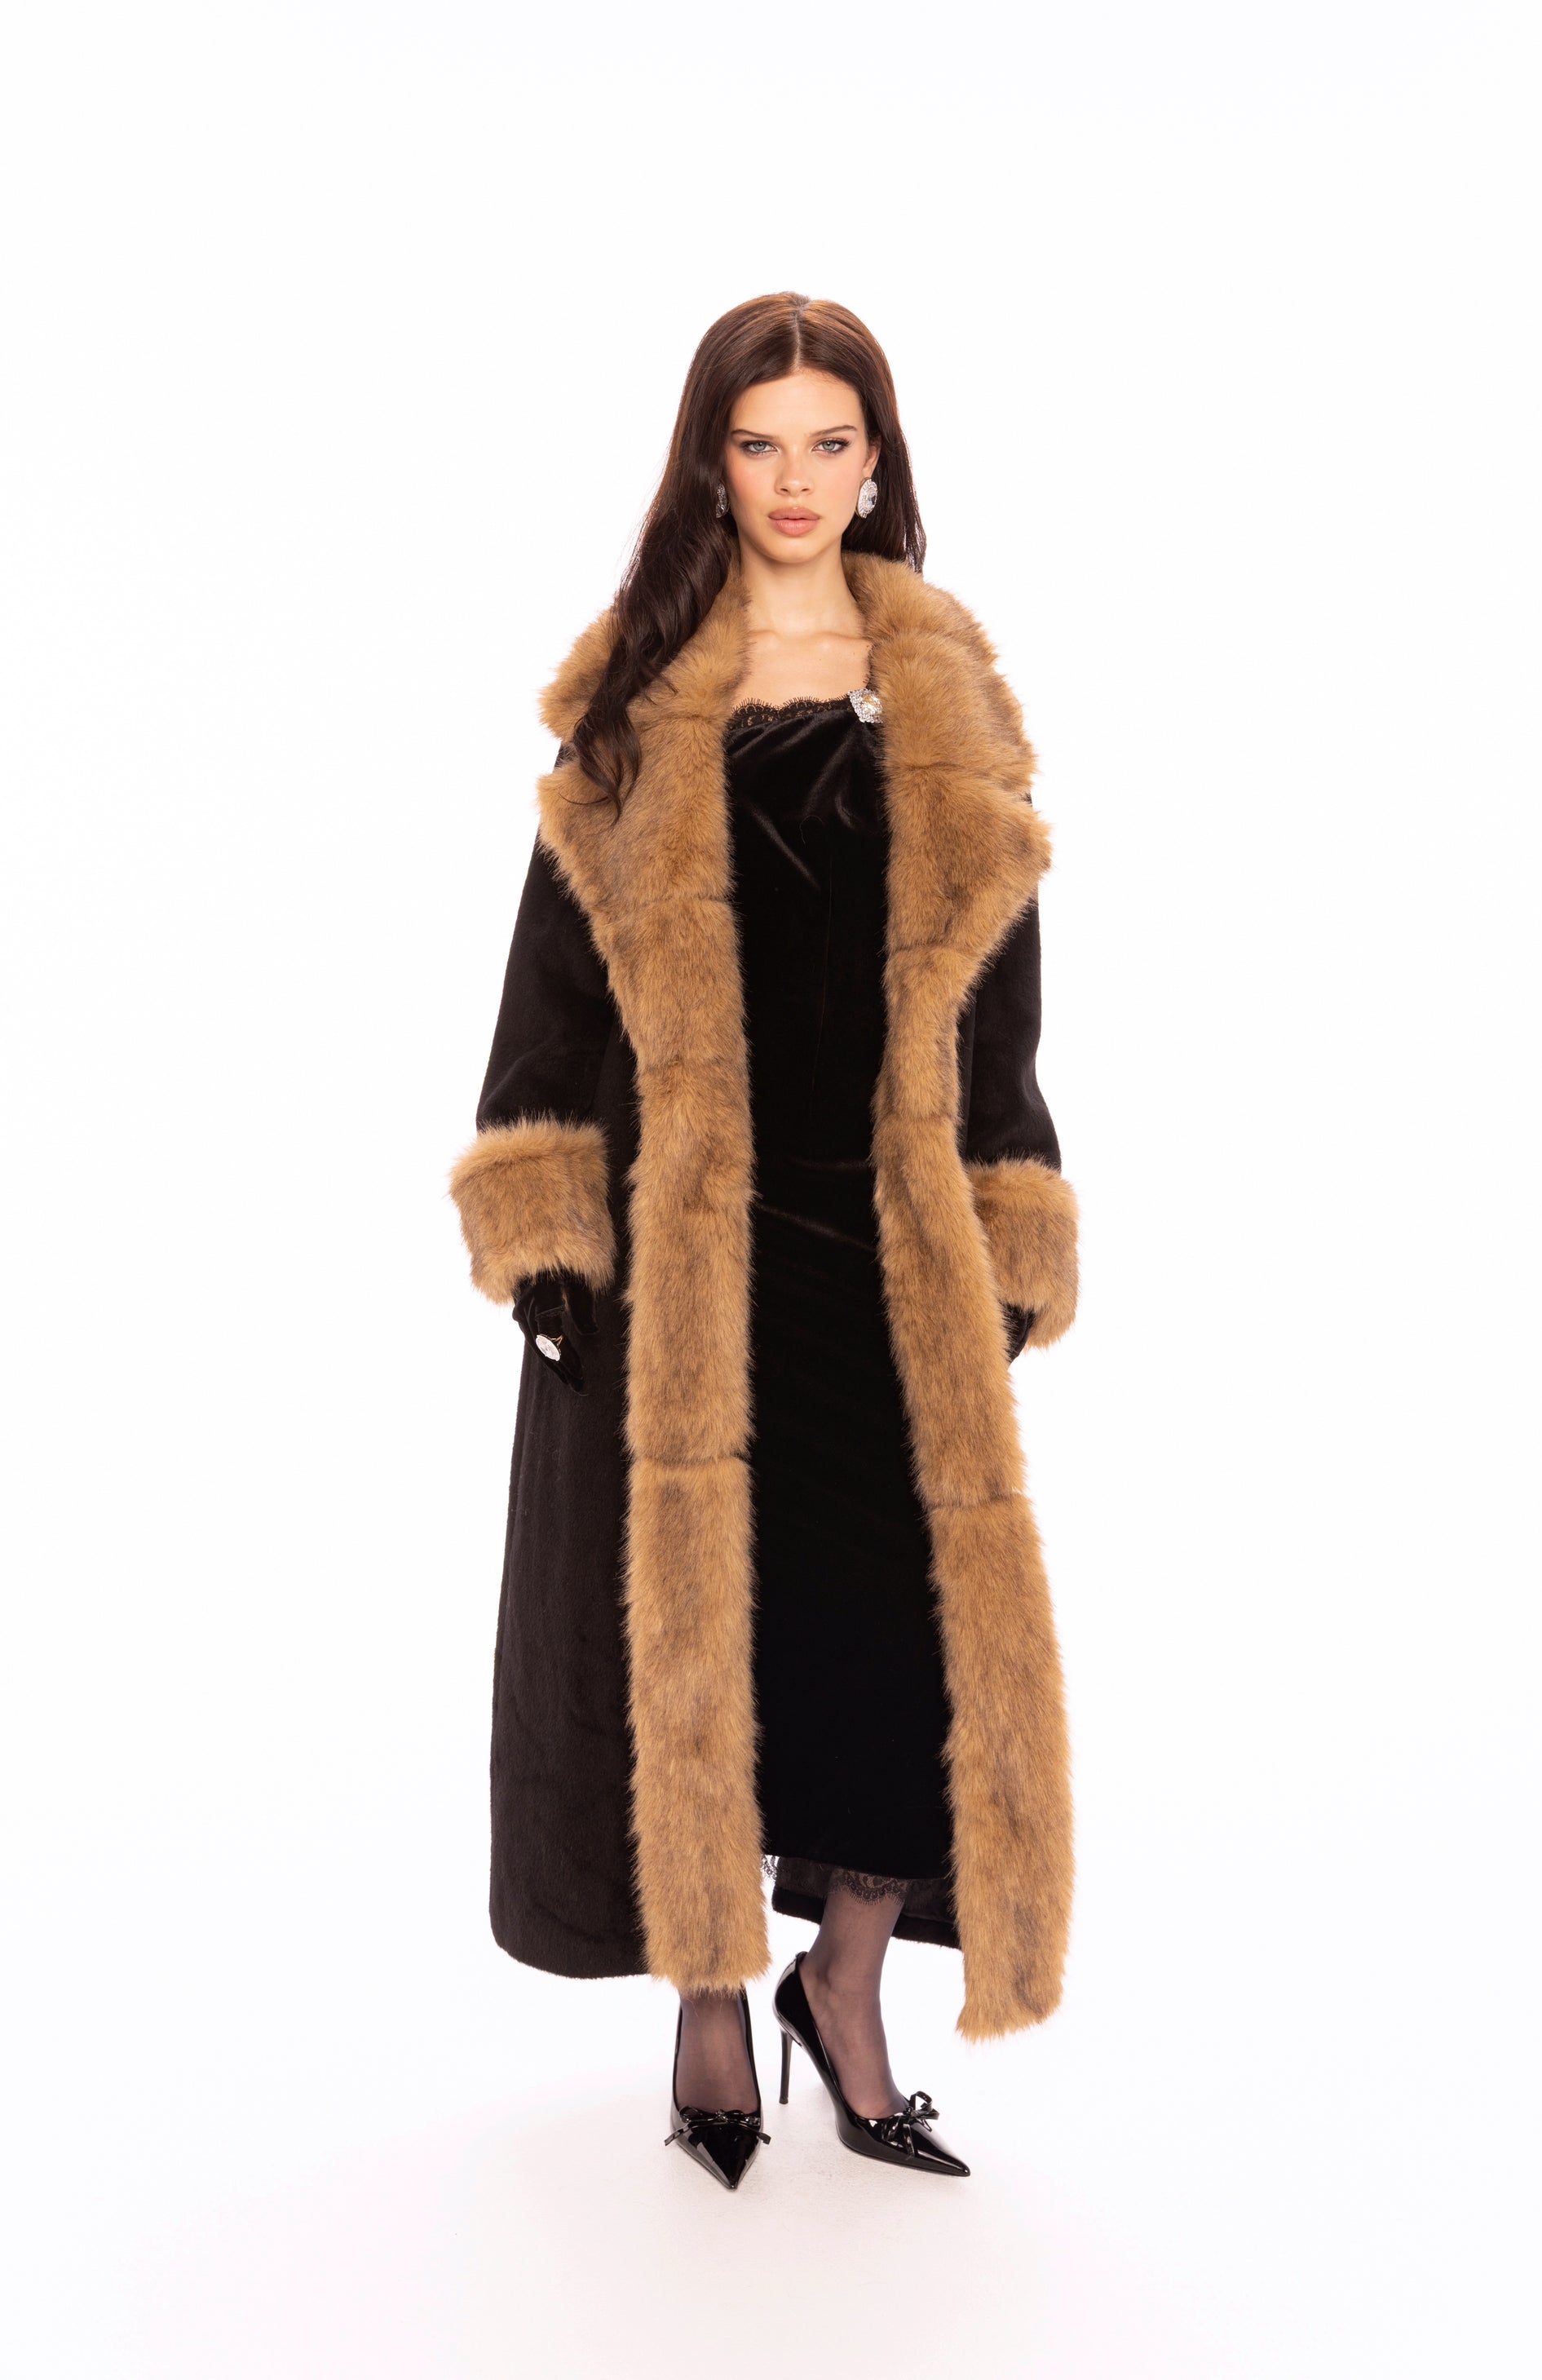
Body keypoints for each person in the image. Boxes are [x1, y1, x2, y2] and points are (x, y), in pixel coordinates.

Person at [449, 292, 1080, 2192]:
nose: (794, 479)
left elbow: (996, 1008)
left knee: (894, 1658)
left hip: (888, 1257)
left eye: (828, 441)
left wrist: (1013, 1215)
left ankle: (848, 1988)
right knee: (695, 1657)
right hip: (681, 1257)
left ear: (874, 461)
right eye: (758, 441)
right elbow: (551, 993)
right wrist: (547, 1229)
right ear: (710, 461)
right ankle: (714, 2001)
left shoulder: (948, 697)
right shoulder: (640, 706)